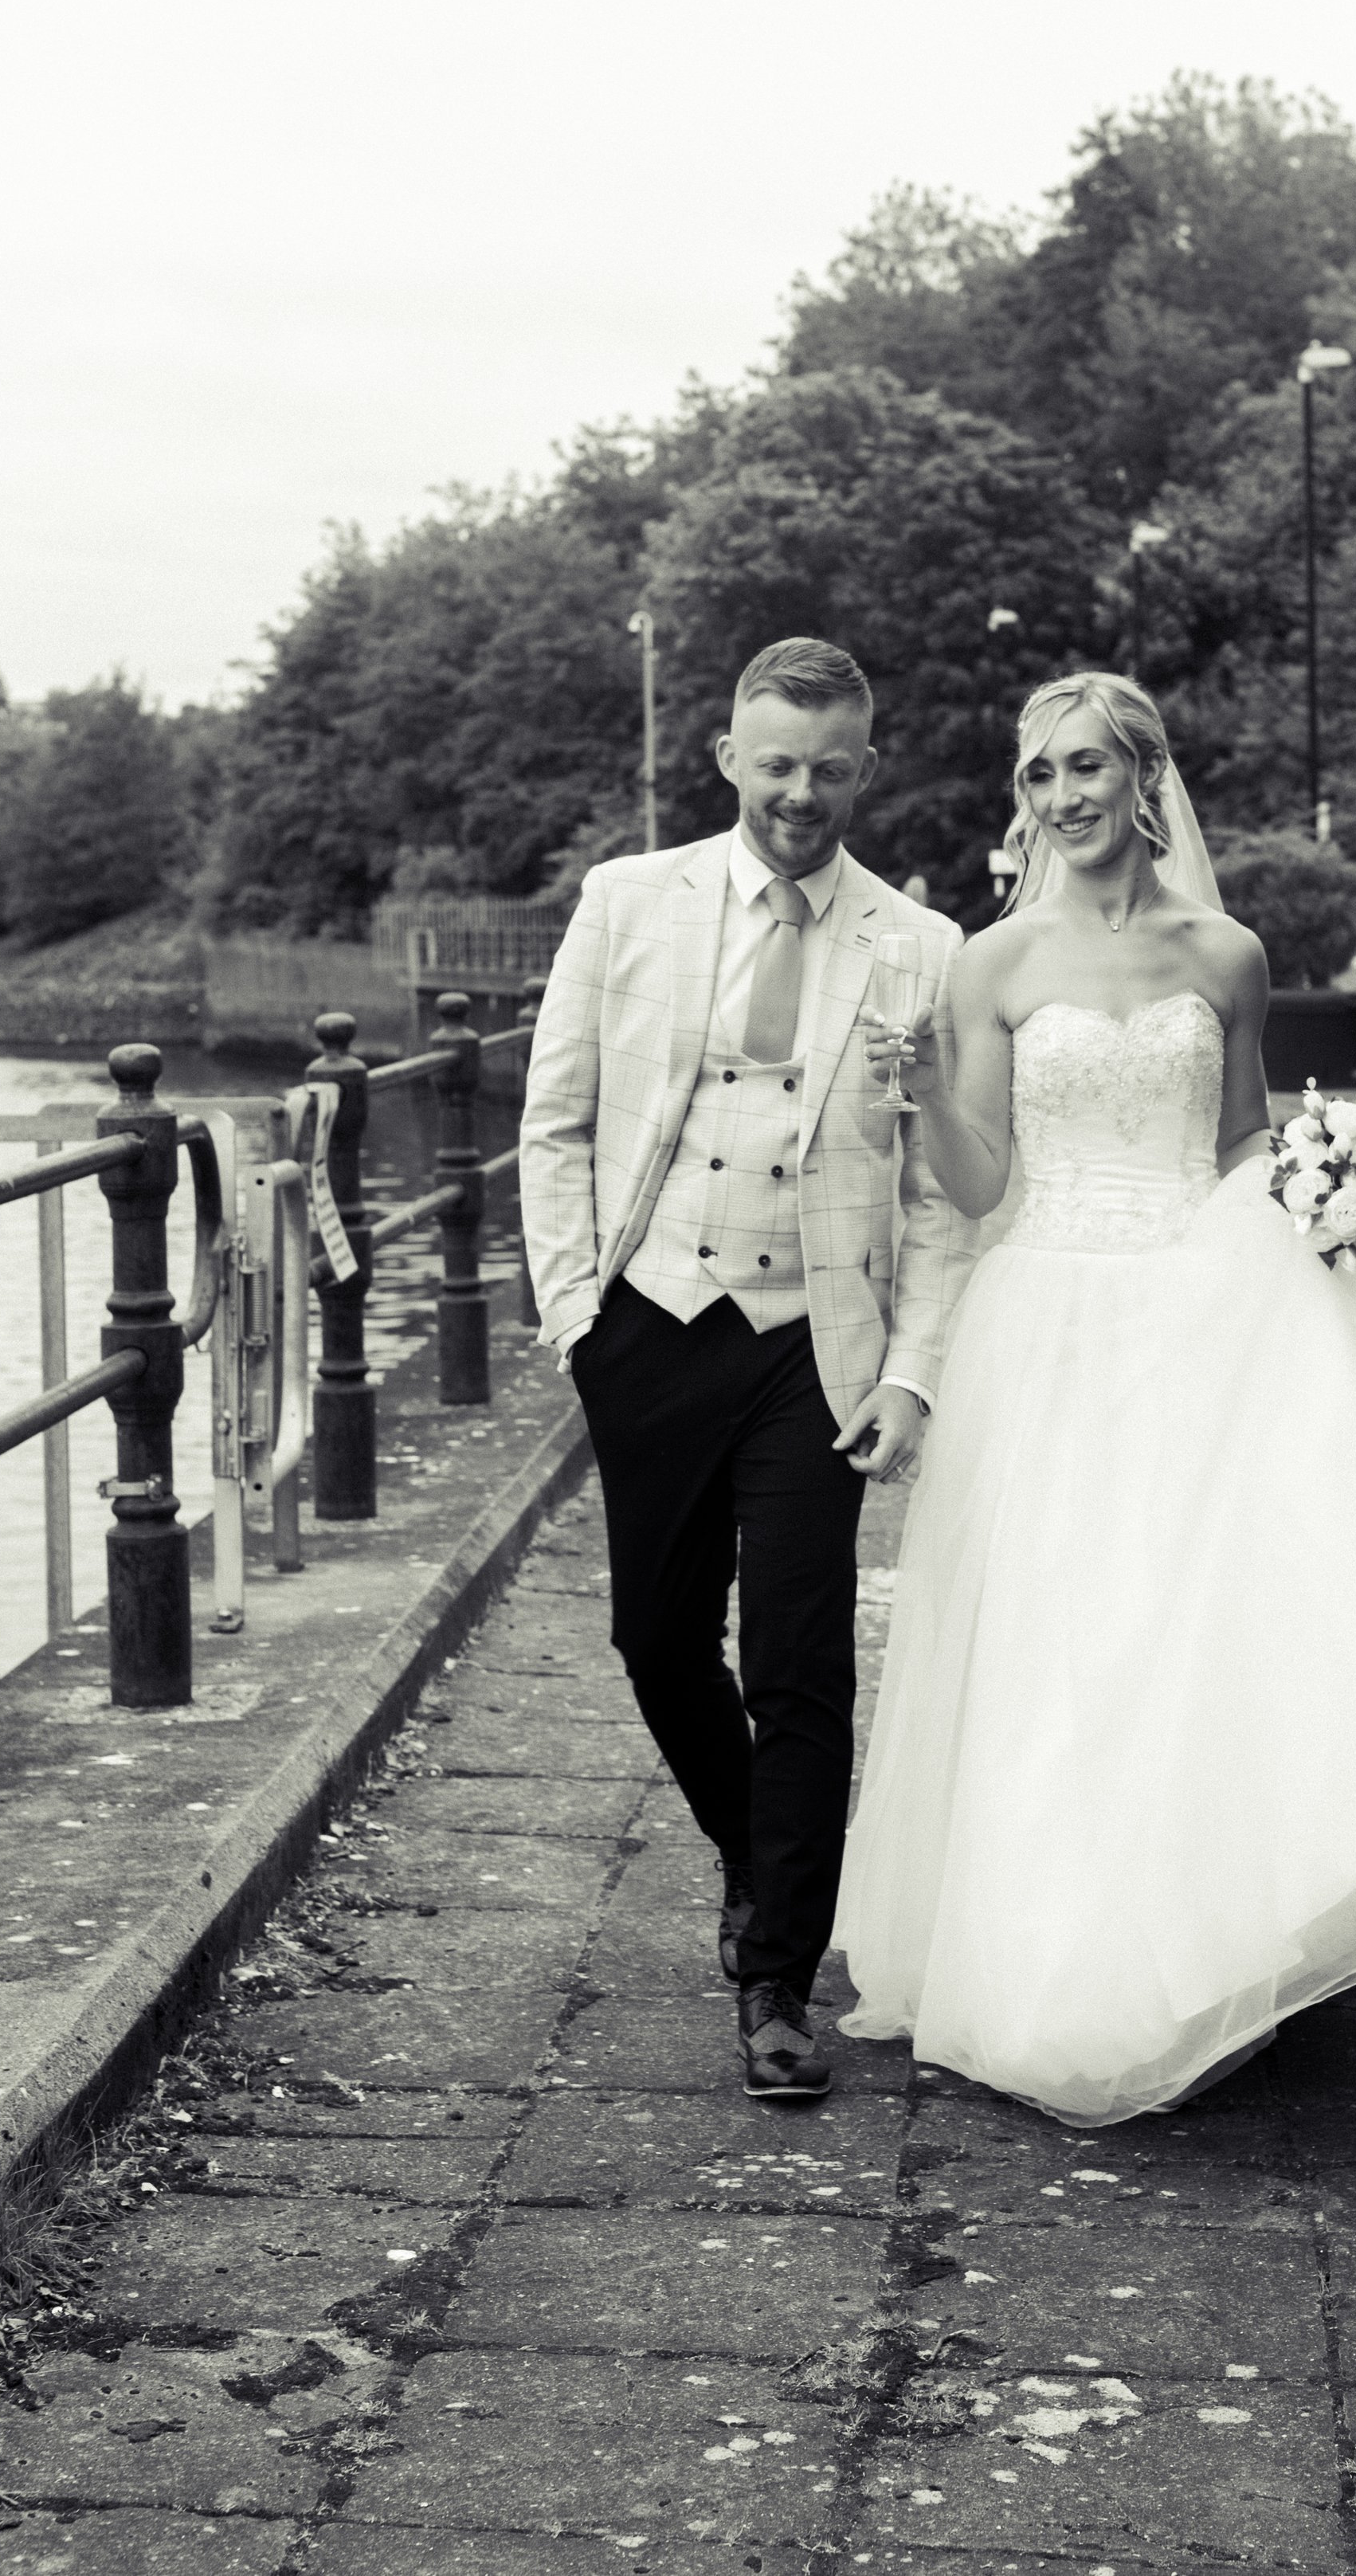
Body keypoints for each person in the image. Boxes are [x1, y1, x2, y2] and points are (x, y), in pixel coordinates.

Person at [833, 670, 1356, 2125]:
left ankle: (1230, 1929)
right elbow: (981, 1187)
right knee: (1067, 1633)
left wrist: (1327, 1197)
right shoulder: (993, 962)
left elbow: (1238, 1142)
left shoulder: (1228, 953)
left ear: (1147, 777)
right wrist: (917, 1100)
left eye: (1086, 768)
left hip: (1210, 1300)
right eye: (1038, 778)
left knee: (1211, 1616)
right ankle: (1062, 1954)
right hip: (1052, 1315)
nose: (1061, 799)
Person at [519, 637, 975, 2101]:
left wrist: (910, 1375)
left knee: (799, 1664)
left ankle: (777, 1972)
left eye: (831, 767)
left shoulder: (925, 946)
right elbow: (556, 1122)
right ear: (728, 755)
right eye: (777, 763)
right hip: (648, 1315)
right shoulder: (624, 899)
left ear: (867, 766)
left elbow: (933, 1197)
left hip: (815, 1344)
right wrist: (577, 1311)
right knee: (656, 1640)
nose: (802, 792)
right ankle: (757, 1854)